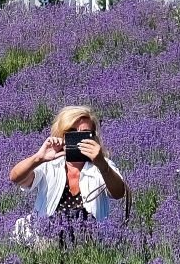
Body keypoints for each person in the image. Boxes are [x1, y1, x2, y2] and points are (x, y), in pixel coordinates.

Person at [8, 105, 127, 244]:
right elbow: (15, 178)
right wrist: (39, 158)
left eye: (84, 133)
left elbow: (119, 193)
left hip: (90, 242)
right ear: (60, 135)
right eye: (71, 131)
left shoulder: (102, 165)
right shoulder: (49, 165)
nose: (77, 137)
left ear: (93, 138)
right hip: (47, 240)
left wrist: (101, 163)